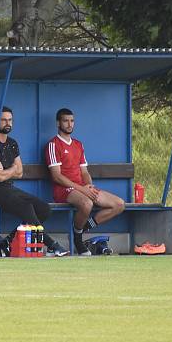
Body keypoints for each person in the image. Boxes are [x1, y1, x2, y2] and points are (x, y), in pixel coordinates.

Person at [0, 106, 70, 256]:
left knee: (44, 208)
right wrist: (13, 169)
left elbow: (19, 172)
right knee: (26, 207)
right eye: (3, 120)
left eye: (10, 120)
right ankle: (51, 244)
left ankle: (7, 241)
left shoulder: (12, 143)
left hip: (8, 188)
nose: (7, 123)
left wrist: (9, 170)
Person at [45, 108, 125, 256]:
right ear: (58, 123)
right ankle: (77, 238)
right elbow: (57, 177)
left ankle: (80, 229)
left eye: (72, 121)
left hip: (82, 188)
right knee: (87, 204)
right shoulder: (53, 144)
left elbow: (84, 172)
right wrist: (83, 190)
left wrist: (90, 187)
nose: (69, 124)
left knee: (119, 204)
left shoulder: (78, 144)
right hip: (64, 190)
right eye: (65, 121)